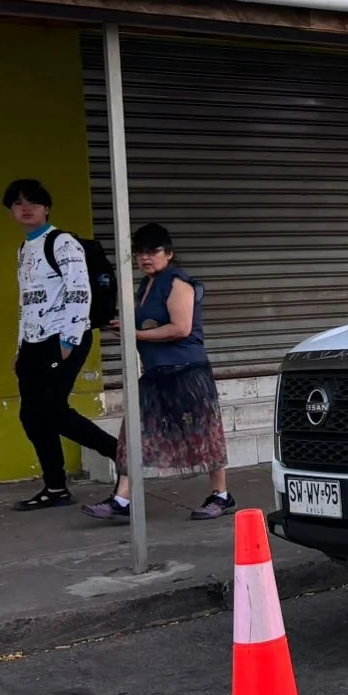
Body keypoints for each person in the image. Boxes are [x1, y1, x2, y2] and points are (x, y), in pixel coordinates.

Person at [83, 223, 234, 521]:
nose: (145, 258)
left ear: (169, 253)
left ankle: (222, 495)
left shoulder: (178, 282)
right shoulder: (146, 285)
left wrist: (135, 334)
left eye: (153, 251)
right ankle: (121, 500)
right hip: (155, 372)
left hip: (187, 371)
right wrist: (124, 327)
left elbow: (181, 328)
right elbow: (147, 325)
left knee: (203, 434)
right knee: (133, 434)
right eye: (140, 252)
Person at [4, 179, 119, 512]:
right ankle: (55, 487)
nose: (25, 208)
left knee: (52, 409)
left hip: (62, 338)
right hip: (33, 342)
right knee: (31, 415)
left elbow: (79, 290)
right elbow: (27, 302)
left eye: (33, 202)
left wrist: (69, 340)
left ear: (46, 208)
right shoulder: (24, 249)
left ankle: (118, 452)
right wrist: (20, 346)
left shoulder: (63, 242)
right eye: (17, 203)